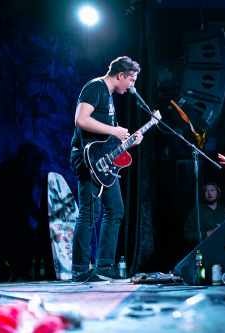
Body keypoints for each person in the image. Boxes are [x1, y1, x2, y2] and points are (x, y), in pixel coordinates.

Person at [70, 56, 143, 283]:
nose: (132, 85)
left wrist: (128, 142)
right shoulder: (95, 87)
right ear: (120, 75)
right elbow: (81, 120)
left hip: (104, 162)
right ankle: (80, 270)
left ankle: (104, 266)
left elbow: (106, 139)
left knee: (116, 210)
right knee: (89, 214)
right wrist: (114, 130)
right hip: (88, 159)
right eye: (131, 79)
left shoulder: (109, 97)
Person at [183, 182, 225, 249]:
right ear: (203, 194)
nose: (209, 193)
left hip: (223, 248)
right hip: (205, 249)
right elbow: (188, 236)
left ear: (218, 193)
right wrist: (207, 233)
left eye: (212, 190)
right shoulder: (197, 212)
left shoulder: (224, 210)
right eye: (206, 191)